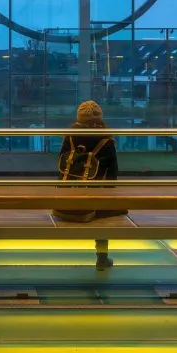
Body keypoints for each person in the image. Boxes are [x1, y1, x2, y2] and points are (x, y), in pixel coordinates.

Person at [52, 100, 127, 271]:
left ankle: (102, 256)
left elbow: (61, 168)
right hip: (90, 207)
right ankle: (102, 257)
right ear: (100, 119)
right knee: (116, 207)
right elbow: (112, 178)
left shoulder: (69, 137)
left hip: (64, 204)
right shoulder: (105, 141)